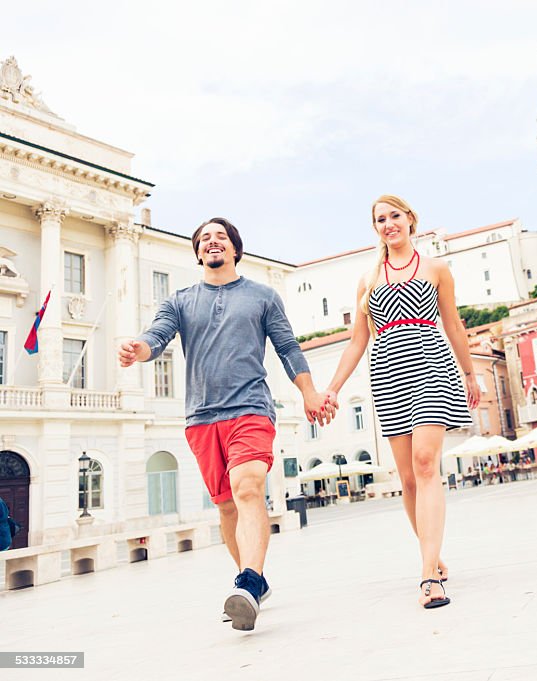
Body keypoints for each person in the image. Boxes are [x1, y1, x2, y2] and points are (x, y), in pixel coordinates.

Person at [118, 217, 334, 631]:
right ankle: (252, 584)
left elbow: (287, 347)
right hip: (201, 417)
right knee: (226, 505)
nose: (211, 242)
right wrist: (137, 349)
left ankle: (248, 582)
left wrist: (308, 392)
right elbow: (157, 337)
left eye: (220, 237)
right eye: (203, 239)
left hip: (250, 407)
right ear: (198, 253)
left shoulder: (263, 297)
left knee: (248, 487)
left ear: (235, 248)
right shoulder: (179, 301)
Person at [324, 195, 479, 609]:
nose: (388, 224)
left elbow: (454, 324)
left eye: (395, 216)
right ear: (375, 228)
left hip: (432, 363)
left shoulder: (436, 269)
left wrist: (469, 373)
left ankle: (429, 576)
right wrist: (334, 388)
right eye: (380, 219)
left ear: (411, 219)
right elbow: (358, 341)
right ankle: (434, 555)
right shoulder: (368, 279)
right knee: (408, 479)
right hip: (388, 372)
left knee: (427, 465)